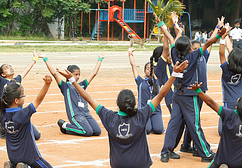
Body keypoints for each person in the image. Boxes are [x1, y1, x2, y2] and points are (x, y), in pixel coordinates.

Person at [57, 59, 189, 168]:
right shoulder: (141, 115)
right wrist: (174, 75)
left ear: (117, 104)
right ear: (134, 103)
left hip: (118, 164)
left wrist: (72, 81)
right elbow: (161, 94)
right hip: (141, 164)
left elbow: (88, 98)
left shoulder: (109, 117)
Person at [158, 12, 227, 163]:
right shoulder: (193, 56)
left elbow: (172, 41)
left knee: (174, 124)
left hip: (178, 94)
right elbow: (208, 43)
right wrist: (219, 34)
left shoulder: (175, 54)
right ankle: (206, 153)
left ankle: (166, 151)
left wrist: (166, 26)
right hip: (190, 96)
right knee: (195, 125)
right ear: (189, 47)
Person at [0, 63, 53, 168]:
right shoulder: (22, 114)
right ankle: (25, 167)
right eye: (22, 95)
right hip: (30, 157)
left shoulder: (1, 112)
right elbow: (39, 99)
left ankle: (14, 165)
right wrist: (47, 84)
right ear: (16, 100)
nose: (24, 97)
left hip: (13, 156)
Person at [44, 55, 103, 136]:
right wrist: (45, 59)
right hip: (75, 115)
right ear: (69, 74)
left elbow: (94, 73)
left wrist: (100, 59)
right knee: (87, 132)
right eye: (75, 74)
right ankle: (65, 126)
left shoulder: (82, 85)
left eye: (79, 74)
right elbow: (54, 73)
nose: (78, 77)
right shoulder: (65, 86)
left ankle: (73, 127)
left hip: (86, 114)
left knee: (97, 131)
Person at [128, 47, 164, 134]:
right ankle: (139, 120)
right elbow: (133, 66)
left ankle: (153, 122)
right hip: (143, 111)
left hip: (156, 111)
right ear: (144, 70)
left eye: (151, 68)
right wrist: (130, 54)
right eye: (147, 69)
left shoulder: (158, 81)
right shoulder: (140, 81)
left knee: (158, 130)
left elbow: (163, 66)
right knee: (146, 130)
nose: (149, 70)